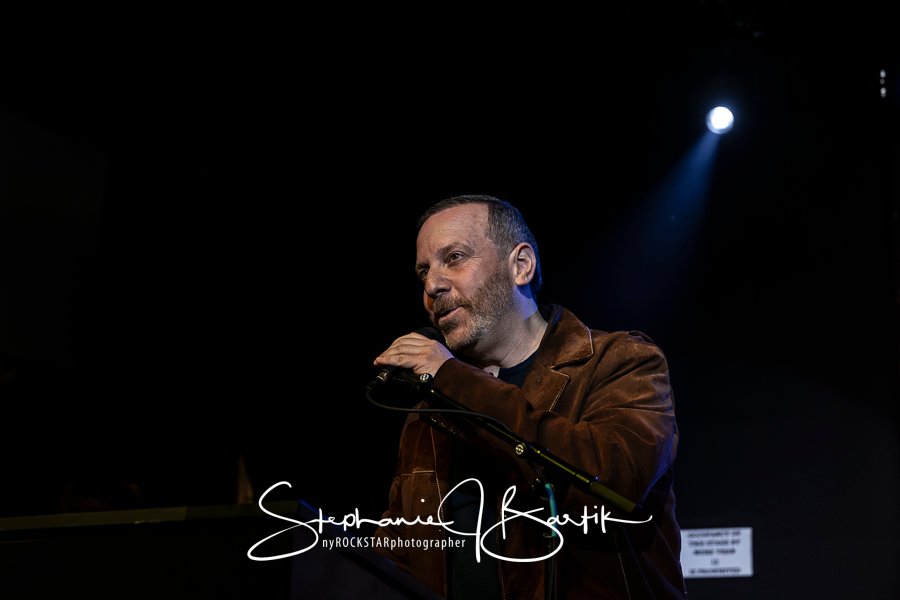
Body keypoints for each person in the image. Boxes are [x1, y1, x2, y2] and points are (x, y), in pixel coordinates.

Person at [372, 194, 686, 599]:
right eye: (423, 272)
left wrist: (452, 378)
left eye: (454, 258)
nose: (432, 285)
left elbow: (615, 482)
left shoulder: (619, 362)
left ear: (521, 265)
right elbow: (402, 549)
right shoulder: (428, 411)